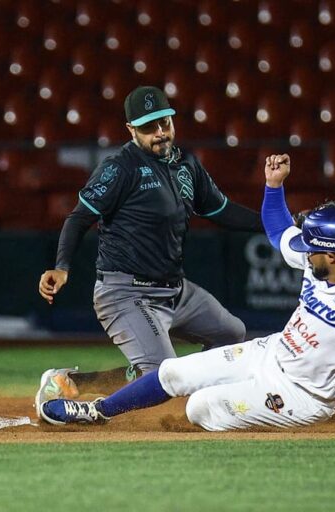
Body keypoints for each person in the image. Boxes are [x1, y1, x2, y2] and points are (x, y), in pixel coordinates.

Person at [34, 154, 335, 434]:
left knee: (199, 407)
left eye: (312, 248)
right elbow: (278, 229)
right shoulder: (321, 263)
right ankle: (98, 410)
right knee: (173, 373)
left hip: (302, 397)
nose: (303, 252)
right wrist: (274, 186)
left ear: (334, 256)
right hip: (271, 352)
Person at [37, 86, 263, 396]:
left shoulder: (187, 165)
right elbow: (78, 219)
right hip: (126, 293)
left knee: (232, 334)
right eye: (148, 127)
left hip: (175, 290)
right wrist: (61, 267)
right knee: (161, 377)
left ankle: (178, 384)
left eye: (164, 123)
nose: (160, 133)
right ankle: (72, 384)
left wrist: (280, 223)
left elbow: (222, 211)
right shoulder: (119, 169)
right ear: (131, 130)